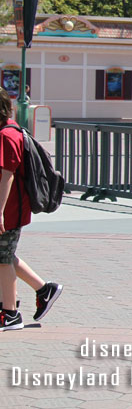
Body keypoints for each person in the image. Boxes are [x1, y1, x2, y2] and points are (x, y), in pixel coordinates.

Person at [0, 90, 63, 331]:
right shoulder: (10, 130)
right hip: (10, 207)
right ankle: (43, 289)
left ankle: (10, 313)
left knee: (3, 259)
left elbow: (7, 176)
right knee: (4, 256)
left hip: (10, 208)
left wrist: (0, 211)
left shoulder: (7, 135)